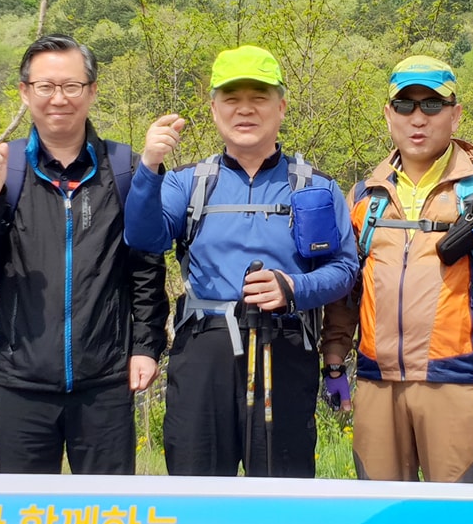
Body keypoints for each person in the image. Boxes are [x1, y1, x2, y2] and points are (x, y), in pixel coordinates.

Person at [123, 46, 359, 477]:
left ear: (281, 107)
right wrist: (149, 166)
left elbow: (344, 270)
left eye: (259, 98)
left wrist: (294, 287)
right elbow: (143, 237)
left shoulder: (315, 187)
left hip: (286, 349)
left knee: (281, 490)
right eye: (231, 99)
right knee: (196, 485)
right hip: (203, 352)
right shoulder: (187, 182)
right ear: (214, 109)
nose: (245, 109)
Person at [0, 35, 168, 473]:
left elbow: (145, 266)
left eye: (71, 86)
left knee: (107, 510)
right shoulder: (5, 167)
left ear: (92, 90)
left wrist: (145, 346)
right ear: (25, 91)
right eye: (45, 86)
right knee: (25, 510)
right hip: (21, 380)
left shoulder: (123, 168)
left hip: (105, 381)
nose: (59, 98)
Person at [319, 57, 473, 483]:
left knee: (454, 518)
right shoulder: (363, 196)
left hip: (458, 380)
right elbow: (348, 289)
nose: (418, 117)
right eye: (405, 105)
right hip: (376, 381)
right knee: (384, 516)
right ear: (389, 115)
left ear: (456, 114)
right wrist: (334, 357)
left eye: (432, 104)